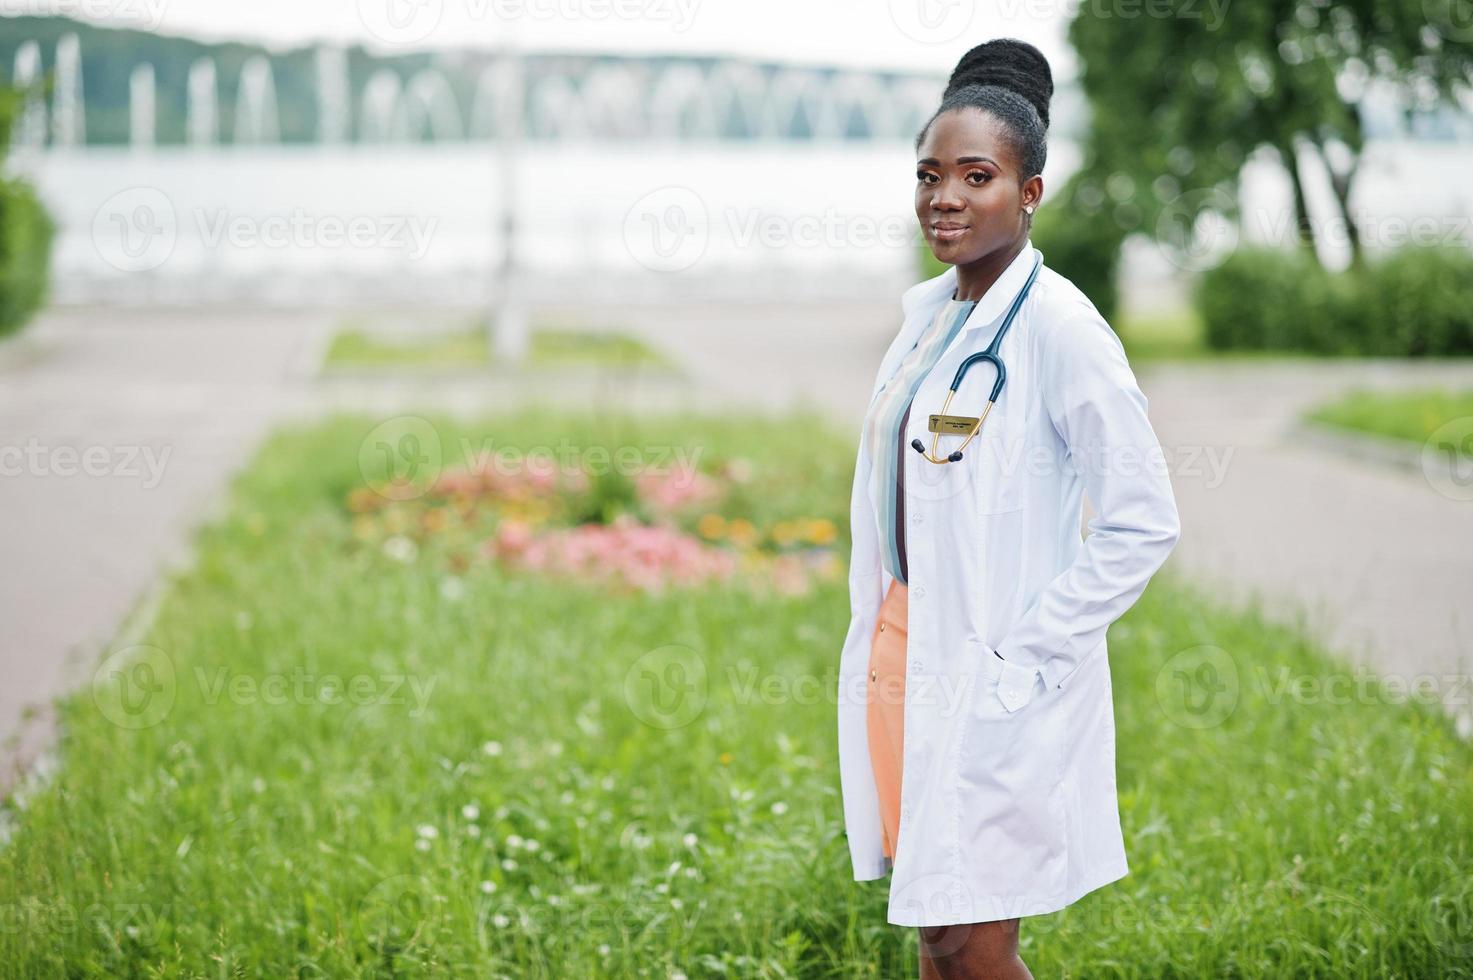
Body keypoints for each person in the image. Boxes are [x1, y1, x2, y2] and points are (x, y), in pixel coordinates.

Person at [834, 38, 1182, 979]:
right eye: (928, 175)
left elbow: (1142, 519)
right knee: (934, 924)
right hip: (904, 645)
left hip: (990, 662)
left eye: (975, 176)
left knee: (971, 935)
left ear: (1029, 192)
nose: (943, 197)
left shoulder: (1062, 328)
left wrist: (1025, 651)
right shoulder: (931, 318)